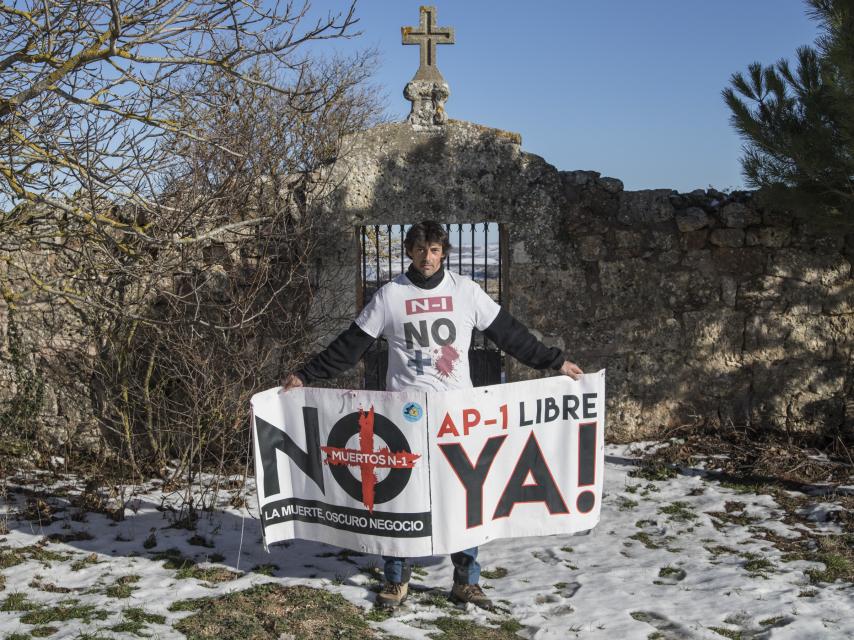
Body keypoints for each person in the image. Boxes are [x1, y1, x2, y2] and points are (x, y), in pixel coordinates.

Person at [281, 220, 583, 610]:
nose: (428, 257)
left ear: (445, 253)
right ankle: (395, 579)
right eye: (421, 249)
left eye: (436, 250)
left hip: (456, 414)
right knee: (398, 496)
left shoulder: (467, 292)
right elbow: (351, 345)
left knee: (463, 495)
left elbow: (511, 335)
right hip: (403, 416)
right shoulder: (390, 295)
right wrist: (306, 374)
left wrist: (555, 362)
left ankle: (466, 580)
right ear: (409, 251)